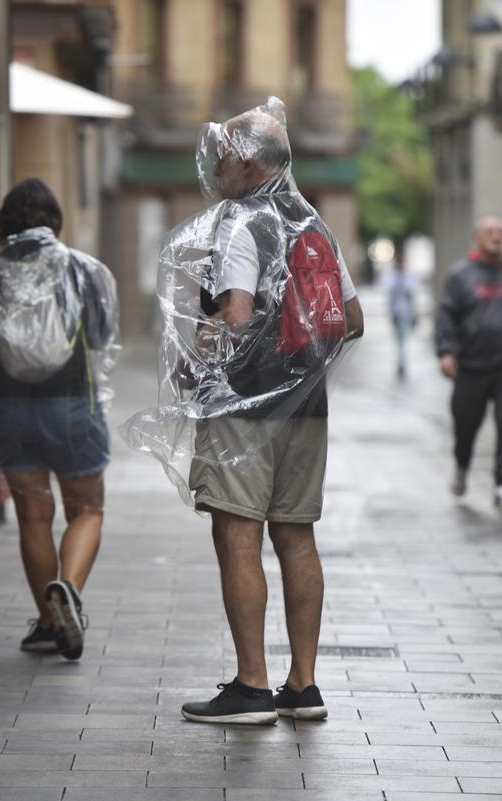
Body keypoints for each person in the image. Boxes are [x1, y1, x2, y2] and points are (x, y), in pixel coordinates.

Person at [150, 101, 364, 725]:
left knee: (237, 533)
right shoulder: (313, 224)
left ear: (246, 161)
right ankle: (303, 686)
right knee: (296, 537)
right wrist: (299, 370)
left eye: (221, 154)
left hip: (244, 409)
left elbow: (237, 315)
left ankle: (250, 687)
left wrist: (194, 348)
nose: (215, 165)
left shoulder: (241, 223)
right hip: (306, 411)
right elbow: (351, 320)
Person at [0, 178, 118, 661]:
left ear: (3, 222)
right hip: (72, 405)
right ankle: (67, 588)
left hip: (10, 409)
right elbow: (100, 335)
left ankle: (48, 623)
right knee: (86, 509)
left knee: (33, 515)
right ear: (55, 222)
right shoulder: (82, 270)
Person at [435, 216, 502, 510]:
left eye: (500, 232)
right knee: (465, 424)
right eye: (490, 232)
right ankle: (462, 466)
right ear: (477, 238)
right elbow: (446, 316)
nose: (496, 237)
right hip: (470, 364)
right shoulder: (461, 275)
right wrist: (446, 352)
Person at [383, 254, 418, 379]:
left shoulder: (409, 276)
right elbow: (388, 292)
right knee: (398, 340)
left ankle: (401, 364)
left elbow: (412, 293)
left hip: (405, 313)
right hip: (396, 313)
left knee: (402, 340)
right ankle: (400, 363)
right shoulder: (391, 277)